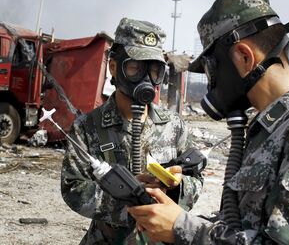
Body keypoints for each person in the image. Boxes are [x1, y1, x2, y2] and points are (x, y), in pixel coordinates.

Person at [127, 0, 289, 244]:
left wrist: (183, 228)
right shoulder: (273, 128)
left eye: (212, 71)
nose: (213, 86)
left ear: (244, 57)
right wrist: (171, 215)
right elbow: (243, 225)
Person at [61, 18, 204, 244]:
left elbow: (196, 178)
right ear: (114, 67)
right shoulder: (87, 127)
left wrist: (175, 190)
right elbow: (73, 187)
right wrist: (128, 202)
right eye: (135, 68)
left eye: (154, 70)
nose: (146, 78)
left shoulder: (174, 125)